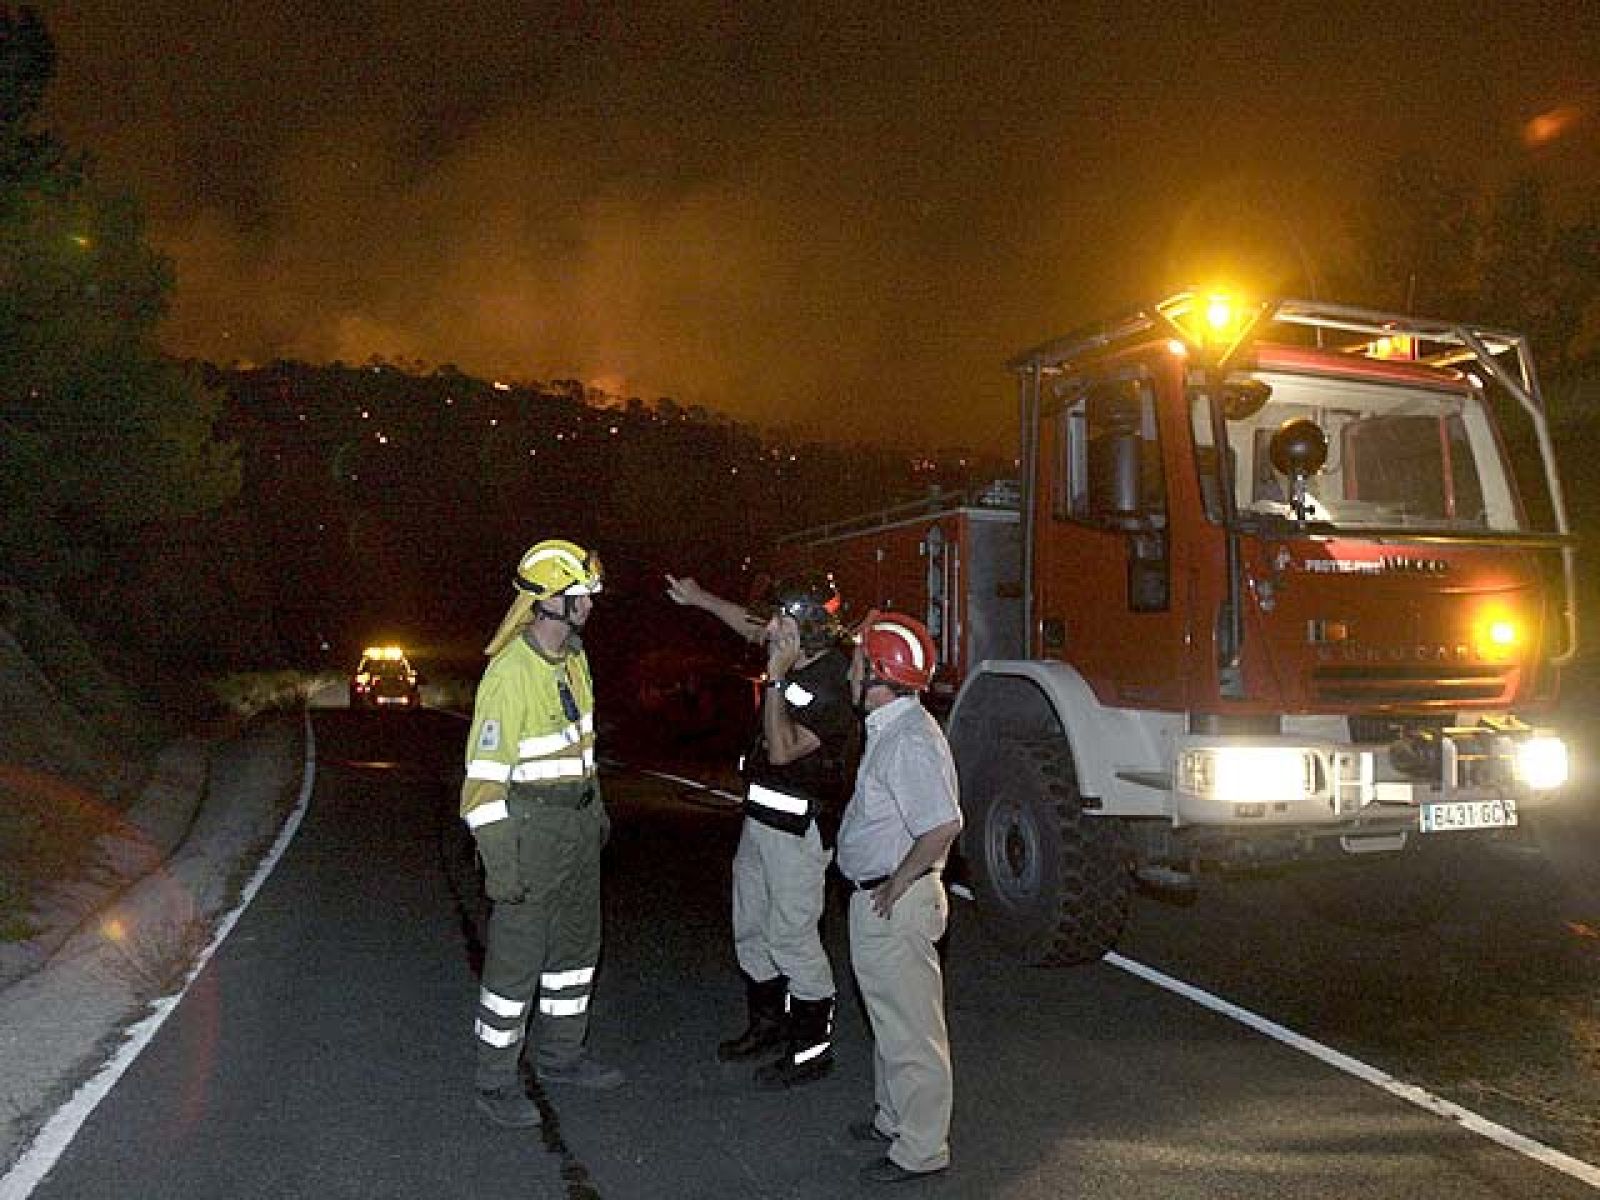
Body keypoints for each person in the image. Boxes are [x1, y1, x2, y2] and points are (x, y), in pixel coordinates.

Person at [665, 571, 857, 1088]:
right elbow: (749, 625)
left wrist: (774, 678)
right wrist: (700, 596)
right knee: (750, 927)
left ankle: (811, 1050)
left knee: (792, 936)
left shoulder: (832, 686)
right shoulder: (793, 648)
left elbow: (782, 749)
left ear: (808, 630)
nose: (769, 628)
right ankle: (767, 1026)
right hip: (761, 820)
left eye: (781, 620)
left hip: (799, 830)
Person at [462, 538, 624, 1129]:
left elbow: (583, 749)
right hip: (529, 833)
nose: (589, 605)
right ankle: (495, 1079)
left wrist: (595, 811)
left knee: (577, 952)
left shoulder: (575, 659)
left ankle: (560, 1055)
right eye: (580, 595)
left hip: (576, 830)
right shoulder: (509, 673)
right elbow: (482, 784)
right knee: (516, 962)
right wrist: (501, 864)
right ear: (551, 600)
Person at [836, 612, 962, 1185]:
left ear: (880, 674)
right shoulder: (893, 728)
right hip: (881, 901)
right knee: (890, 1020)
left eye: (860, 662)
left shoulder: (907, 740)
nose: (851, 670)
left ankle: (920, 1149)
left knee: (912, 1032)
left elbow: (940, 826)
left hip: (895, 903)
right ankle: (894, 1120)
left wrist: (897, 882)